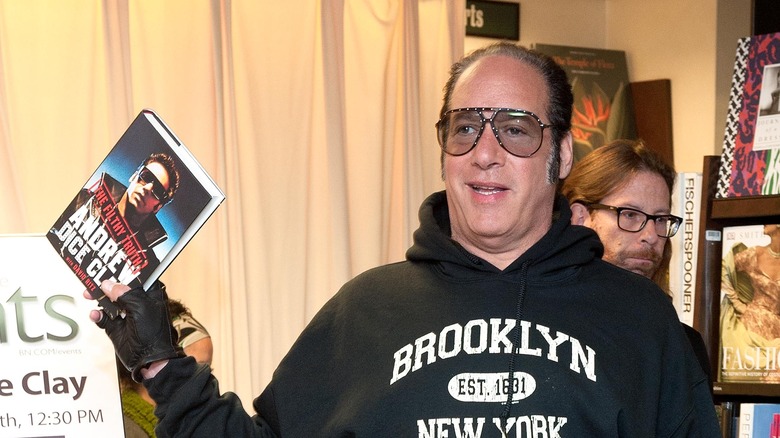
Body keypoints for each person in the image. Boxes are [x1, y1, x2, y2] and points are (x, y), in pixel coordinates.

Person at [87, 42, 719, 436]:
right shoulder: (366, 311)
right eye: (465, 127)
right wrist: (162, 364)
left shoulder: (639, 323)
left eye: (518, 130)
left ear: (560, 155)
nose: (485, 153)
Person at [560, 139, 713, 386]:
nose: (651, 235)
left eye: (661, 219)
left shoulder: (683, 346)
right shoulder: (540, 327)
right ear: (581, 217)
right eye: (630, 214)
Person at [49, 152, 180, 311]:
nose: (147, 188)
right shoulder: (81, 200)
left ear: (158, 206)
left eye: (158, 190)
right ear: (134, 176)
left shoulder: (147, 266)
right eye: (146, 176)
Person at [119, 296, 213, 438]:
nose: (204, 380)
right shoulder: (121, 429)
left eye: (207, 369)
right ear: (149, 368)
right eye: (191, 370)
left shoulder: (205, 423)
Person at [721, 224, 780, 383]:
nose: (764, 223)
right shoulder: (755, 254)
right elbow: (723, 267)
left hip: (776, 332)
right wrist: (737, 303)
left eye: (769, 219)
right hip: (750, 327)